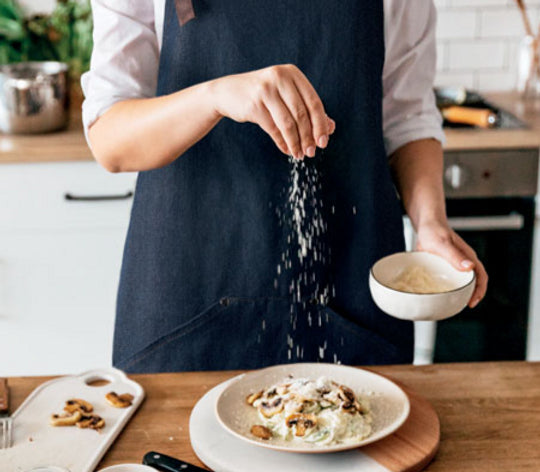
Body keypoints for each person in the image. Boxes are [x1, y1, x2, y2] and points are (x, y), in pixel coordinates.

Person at [82, 0, 487, 373]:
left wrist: (431, 223)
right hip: (187, 288)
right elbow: (110, 140)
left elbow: (408, 116)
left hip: (348, 281)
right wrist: (214, 97)